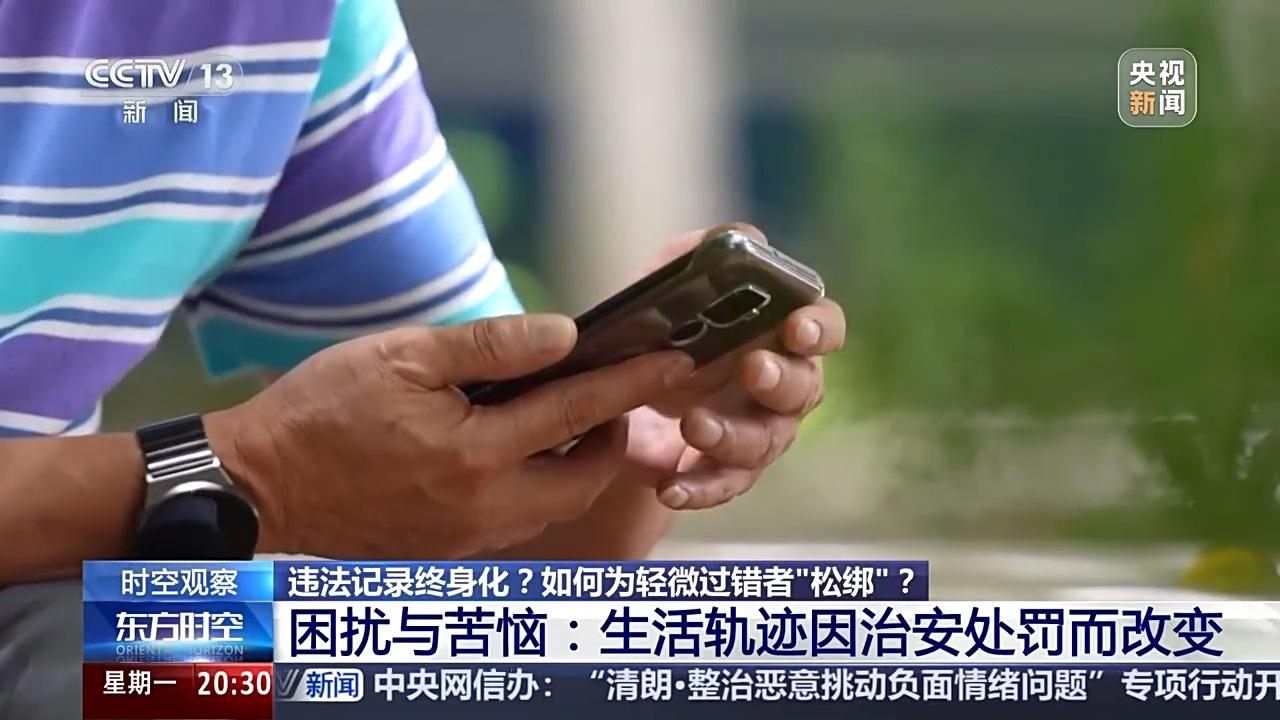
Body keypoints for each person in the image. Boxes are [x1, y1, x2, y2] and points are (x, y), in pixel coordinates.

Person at [0, 1, 845, 717]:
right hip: (50, 621)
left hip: (60, 615)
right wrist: (249, 474)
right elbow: (291, 481)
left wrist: (623, 417)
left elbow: (492, 540)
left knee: (815, 655)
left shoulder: (301, 24)